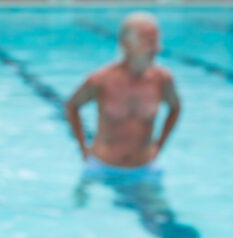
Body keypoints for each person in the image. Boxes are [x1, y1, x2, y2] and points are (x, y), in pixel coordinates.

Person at [65, 12, 181, 174]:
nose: (157, 49)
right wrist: (83, 149)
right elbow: (72, 106)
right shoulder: (101, 80)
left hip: (145, 168)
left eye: (156, 41)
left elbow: (175, 108)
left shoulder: (162, 80)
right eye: (149, 42)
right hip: (101, 167)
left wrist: (159, 146)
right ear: (126, 44)